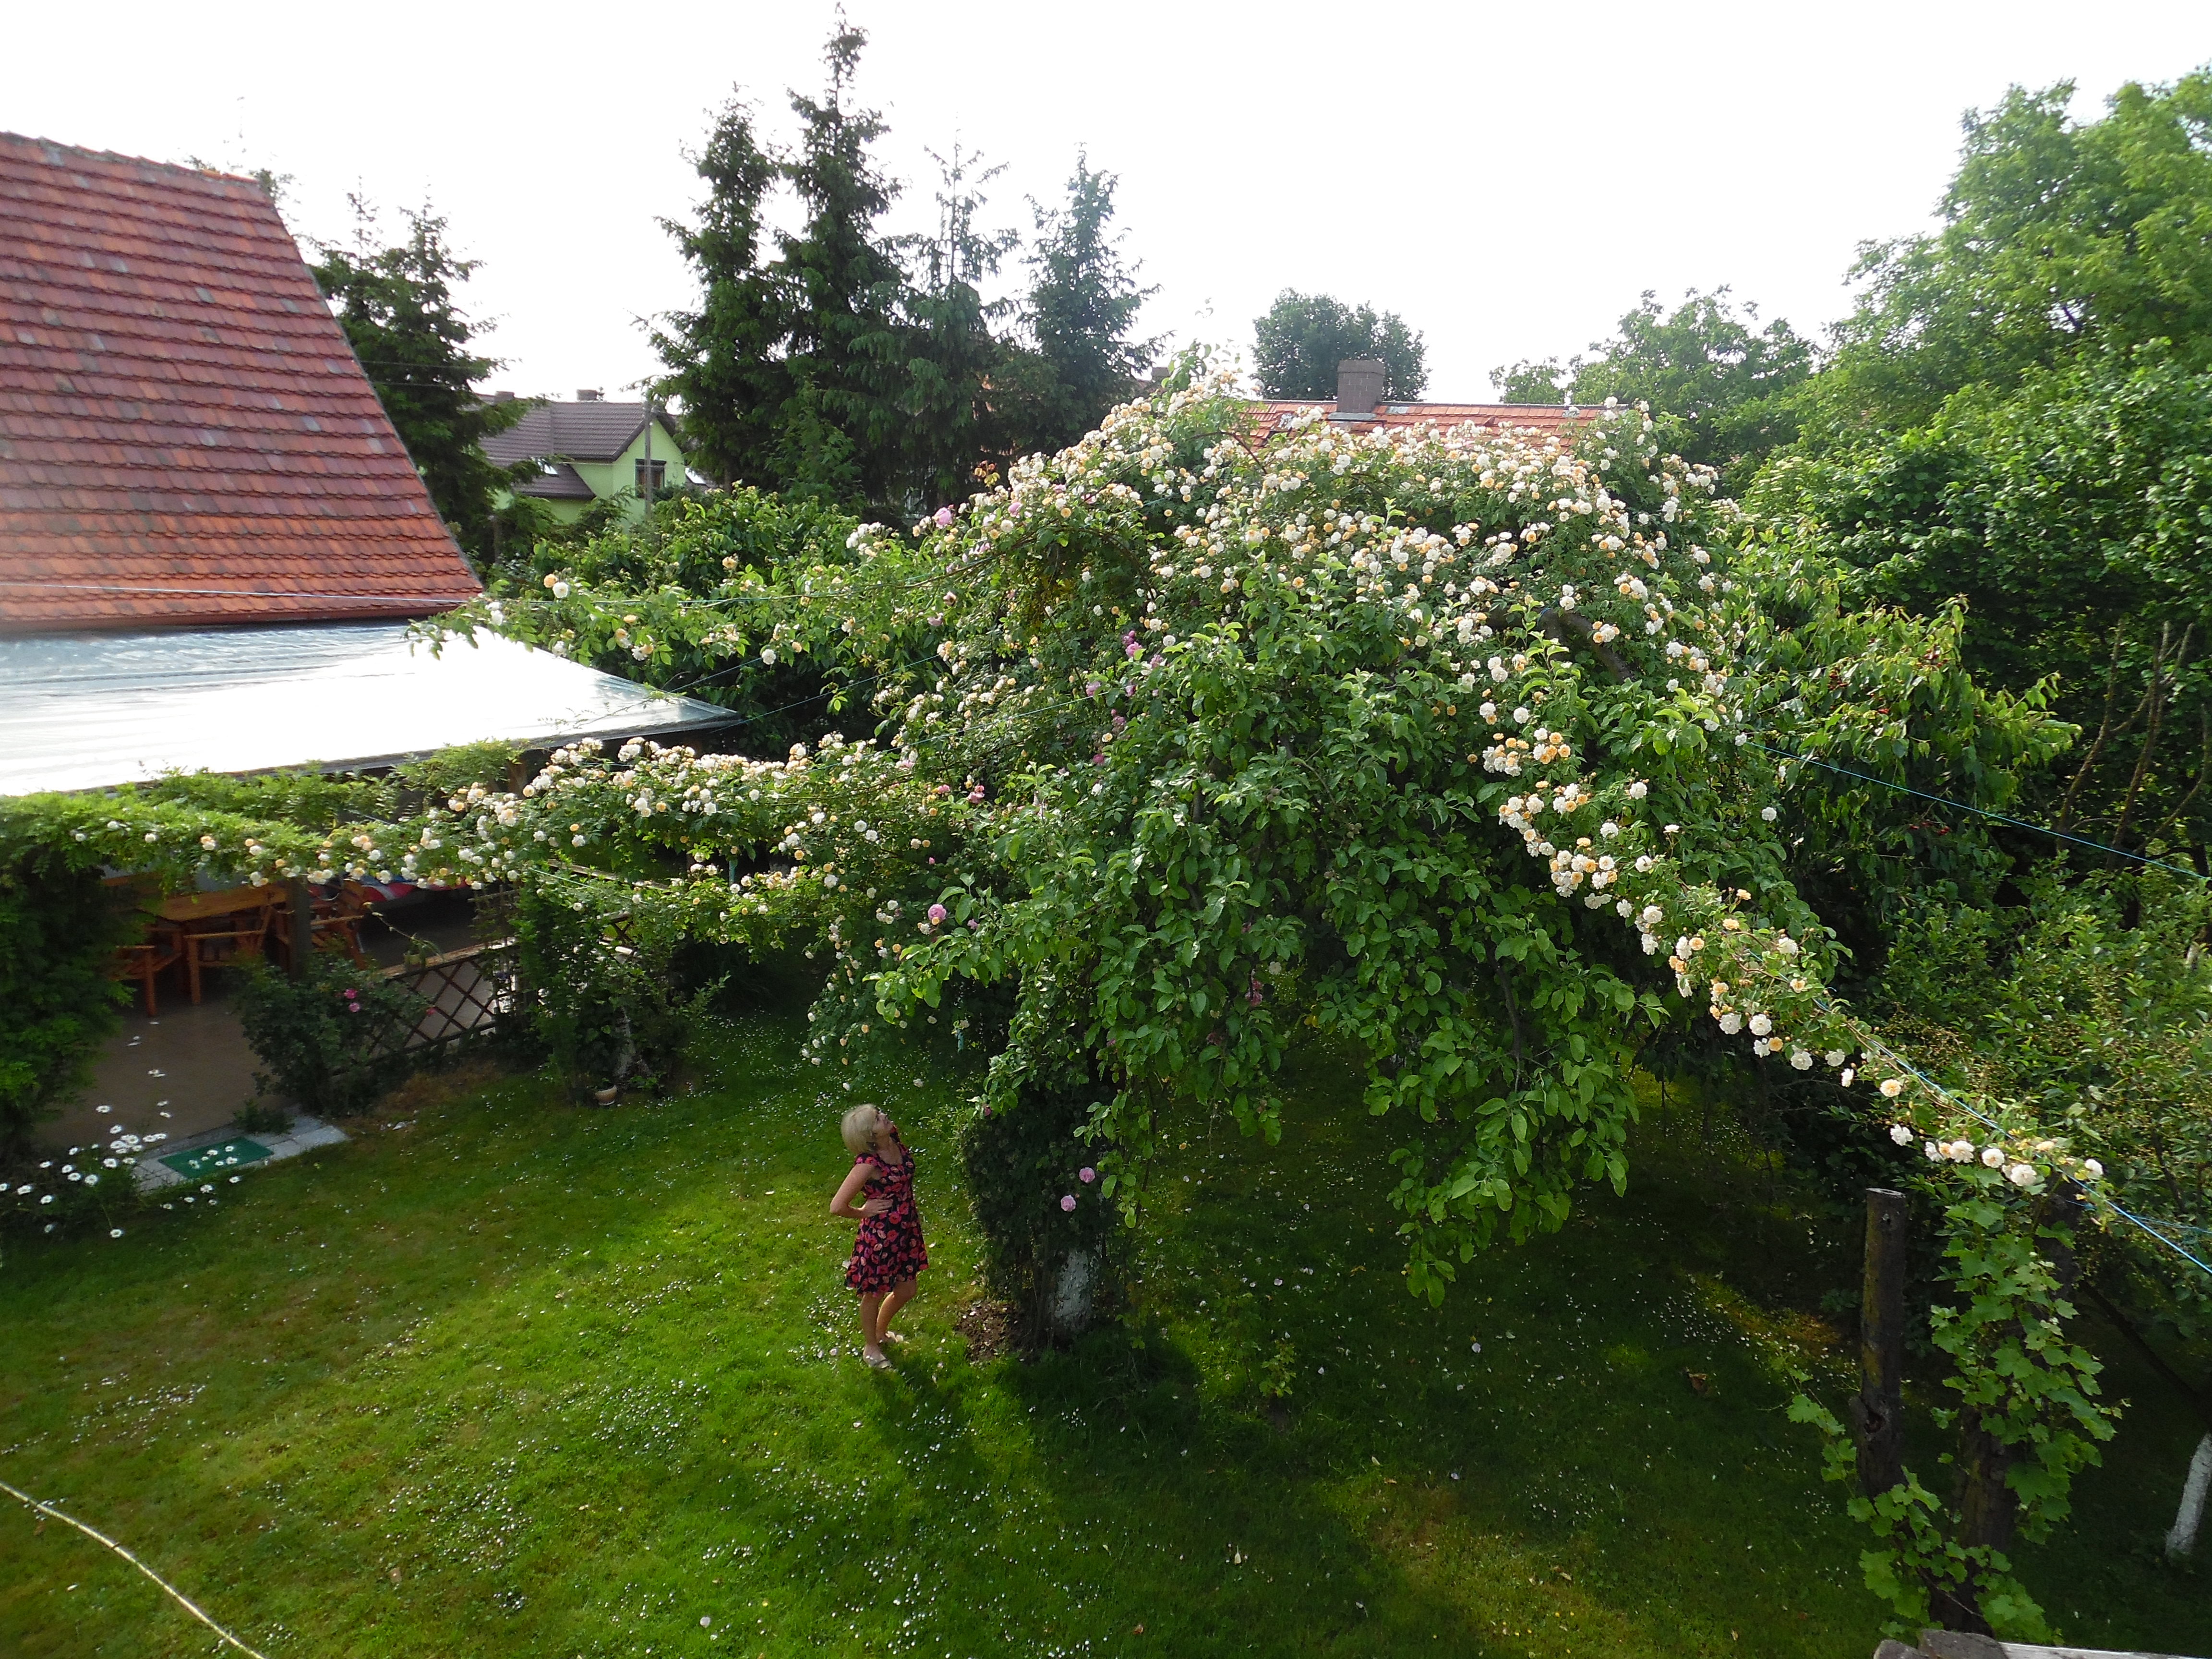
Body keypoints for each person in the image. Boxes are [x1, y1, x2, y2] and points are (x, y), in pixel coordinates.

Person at [829, 1103, 928, 1369]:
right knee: (873, 1293)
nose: (884, 1116)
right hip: (881, 1238)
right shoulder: (868, 1164)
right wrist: (863, 1211)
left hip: (906, 1231)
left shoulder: (894, 1140)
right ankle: (871, 1347)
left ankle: (881, 1333)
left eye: (879, 1113)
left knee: (907, 1290)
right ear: (870, 1136)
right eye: (877, 1118)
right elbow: (837, 1206)